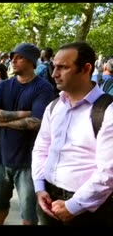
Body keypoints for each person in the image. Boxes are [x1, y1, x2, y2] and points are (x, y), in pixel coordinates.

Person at [32, 41, 113, 226]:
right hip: (48, 199)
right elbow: (41, 148)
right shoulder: (54, 106)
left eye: (63, 67)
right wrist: (39, 187)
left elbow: (108, 172)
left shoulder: (107, 110)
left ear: (86, 68)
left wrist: (74, 206)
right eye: (54, 66)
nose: (54, 74)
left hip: (88, 209)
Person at [0, 43, 55, 225]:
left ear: (31, 61)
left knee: (28, 211)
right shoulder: (4, 86)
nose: (13, 60)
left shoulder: (44, 88)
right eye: (13, 56)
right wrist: (23, 113)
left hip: (29, 161)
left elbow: (37, 123)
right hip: (2, 157)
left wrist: (4, 121)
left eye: (19, 57)